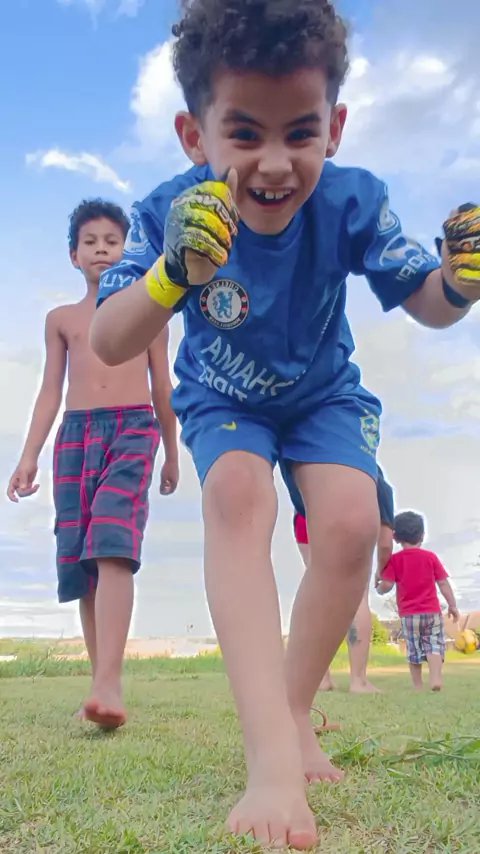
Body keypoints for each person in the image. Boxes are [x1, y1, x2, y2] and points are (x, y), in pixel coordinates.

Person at [90, 0, 480, 846]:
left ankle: (294, 711)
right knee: (236, 497)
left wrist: (460, 282)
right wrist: (170, 273)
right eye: (244, 134)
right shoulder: (167, 210)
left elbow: (427, 300)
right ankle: (271, 759)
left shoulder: (352, 200)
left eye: (300, 133)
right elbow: (109, 337)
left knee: (350, 525)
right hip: (222, 398)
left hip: (323, 394)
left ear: (334, 128)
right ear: (194, 136)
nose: (274, 163)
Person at [7, 199, 179, 730]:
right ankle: (99, 683)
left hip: (134, 427)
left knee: (112, 541)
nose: (102, 249)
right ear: (73, 255)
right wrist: (28, 455)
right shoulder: (60, 320)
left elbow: (162, 387)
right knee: (84, 559)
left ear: (129, 250)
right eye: (91, 242)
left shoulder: (149, 315)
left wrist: (172, 452)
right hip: (76, 434)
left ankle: (110, 682)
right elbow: (49, 391)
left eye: (112, 241)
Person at [293, 465, 394, 693]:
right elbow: (386, 542)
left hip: (305, 515)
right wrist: (381, 568)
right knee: (357, 596)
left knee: (317, 592)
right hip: (349, 509)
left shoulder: (310, 460)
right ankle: (358, 680)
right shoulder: (367, 466)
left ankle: (320, 679)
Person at [376, 511, 459, 691]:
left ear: (396, 537)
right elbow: (443, 583)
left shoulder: (395, 560)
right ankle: (435, 679)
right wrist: (452, 605)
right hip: (432, 612)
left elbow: (387, 585)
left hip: (409, 614)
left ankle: (417, 685)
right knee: (434, 644)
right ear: (422, 535)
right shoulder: (430, 557)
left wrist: (379, 587)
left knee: (413, 648)